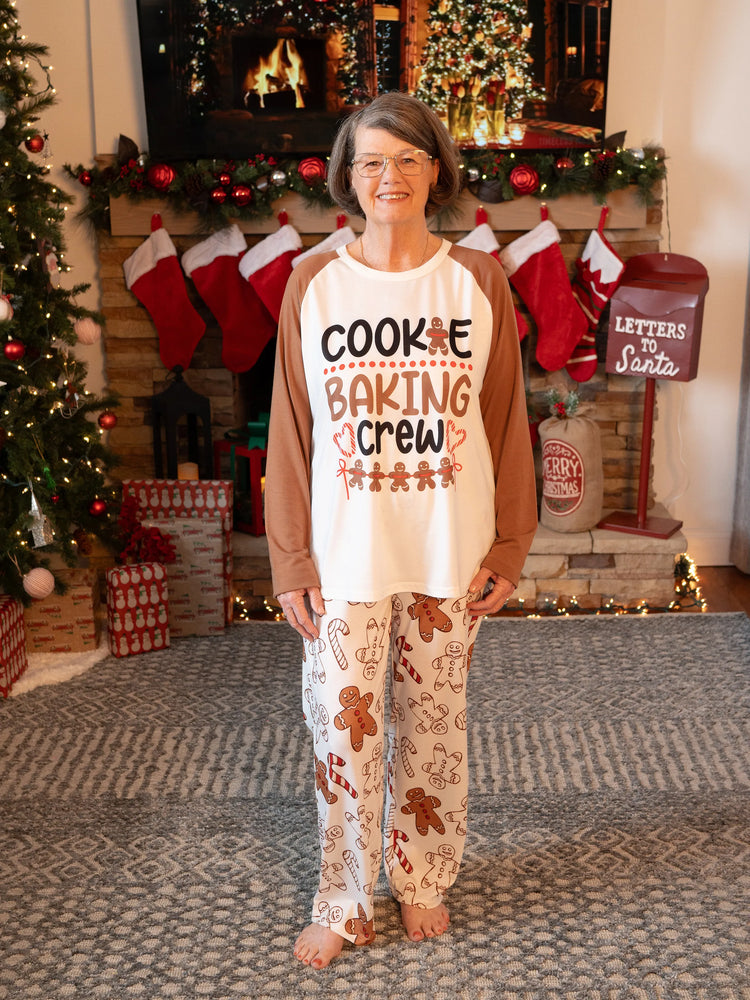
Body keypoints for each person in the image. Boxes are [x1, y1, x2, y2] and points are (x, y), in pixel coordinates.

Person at [264, 91, 537, 970]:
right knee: (342, 731)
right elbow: (292, 431)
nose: (390, 177)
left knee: (434, 720)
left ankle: (421, 876)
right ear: (347, 176)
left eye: (409, 160)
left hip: (447, 550)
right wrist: (290, 557)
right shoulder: (314, 283)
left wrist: (510, 542)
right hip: (346, 554)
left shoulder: (478, 281)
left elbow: (505, 421)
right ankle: (344, 896)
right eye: (372, 161)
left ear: (436, 174)